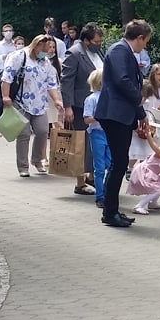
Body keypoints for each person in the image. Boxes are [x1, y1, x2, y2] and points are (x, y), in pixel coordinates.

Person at [95, 20, 154, 228]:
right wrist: (139, 99)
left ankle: (112, 209)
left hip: (121, 113)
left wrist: (141, 114)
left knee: (119, 162)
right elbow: (123, 81)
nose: (144, 46)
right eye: (145, 41)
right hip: (115, 114)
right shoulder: (119, 50)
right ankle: (109, 212)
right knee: (118, 163)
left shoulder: (123, 51)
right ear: (139, 37)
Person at [1, 35, 65, 178]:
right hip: (21, 102)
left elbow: (51, 83)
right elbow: (7, 77)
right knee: (24, 133)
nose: (48, 52)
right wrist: (5, 96)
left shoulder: (46, 62)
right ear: (37, 46)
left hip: (39, 103)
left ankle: (37, 160)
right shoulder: (19, 56)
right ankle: (23, 166)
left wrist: (56, 99)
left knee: (42, 131)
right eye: (45, 49)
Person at [61, 23, 106, 195]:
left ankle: (91, 176)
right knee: (81, 143)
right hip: (80, 105)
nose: (99, 44)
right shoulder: (74, 53)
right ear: (86, 40)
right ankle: (80, 182)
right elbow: (66, 81)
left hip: (98, 104)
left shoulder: (98, 52)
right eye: (96, 41)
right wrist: (68, 107)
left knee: (95, 142)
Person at [84, 69, 113, 209]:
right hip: (97, 133)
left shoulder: (110, 97)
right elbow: (87, 119)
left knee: (110, 163)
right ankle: (100, 196)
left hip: (110, 133)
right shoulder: (92, 99)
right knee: (99, 167)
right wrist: (99, 117)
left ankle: (107, 191)